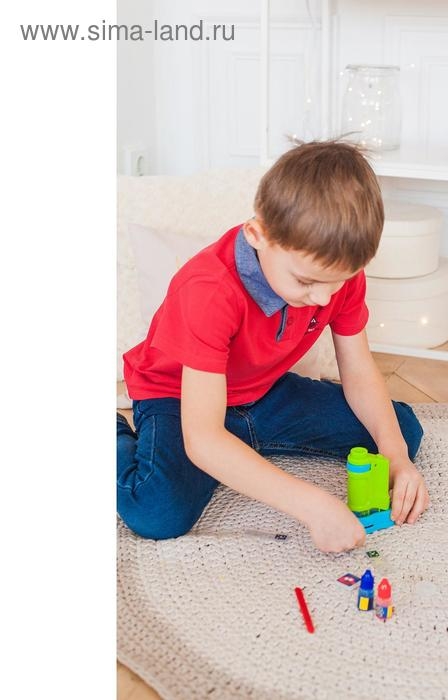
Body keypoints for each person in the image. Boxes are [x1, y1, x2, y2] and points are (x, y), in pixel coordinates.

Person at [117, 139, 429, 553]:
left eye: (337, 282)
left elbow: (358, 369)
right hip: (178, 399)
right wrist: (312, 505)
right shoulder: (209, 290)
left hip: (263, 392)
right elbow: (203, 437)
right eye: (306, 282)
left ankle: (242, 450)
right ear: (258, 235)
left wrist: (396, 456)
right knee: (156, 511)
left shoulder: (335, 274)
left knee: (401, 431)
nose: (323, 297)